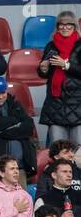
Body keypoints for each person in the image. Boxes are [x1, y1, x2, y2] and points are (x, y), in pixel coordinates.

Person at [38, 11, 81, 145]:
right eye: (61, 24)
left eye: (69, 24)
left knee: (78, 153)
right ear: (57, 27)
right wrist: (43, 69)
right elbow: (44, 72)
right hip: (55, 105)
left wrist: (67, 65)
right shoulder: (51, 46)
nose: (65, 27)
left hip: (78, 105)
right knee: (58, 151)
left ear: (75, 27)